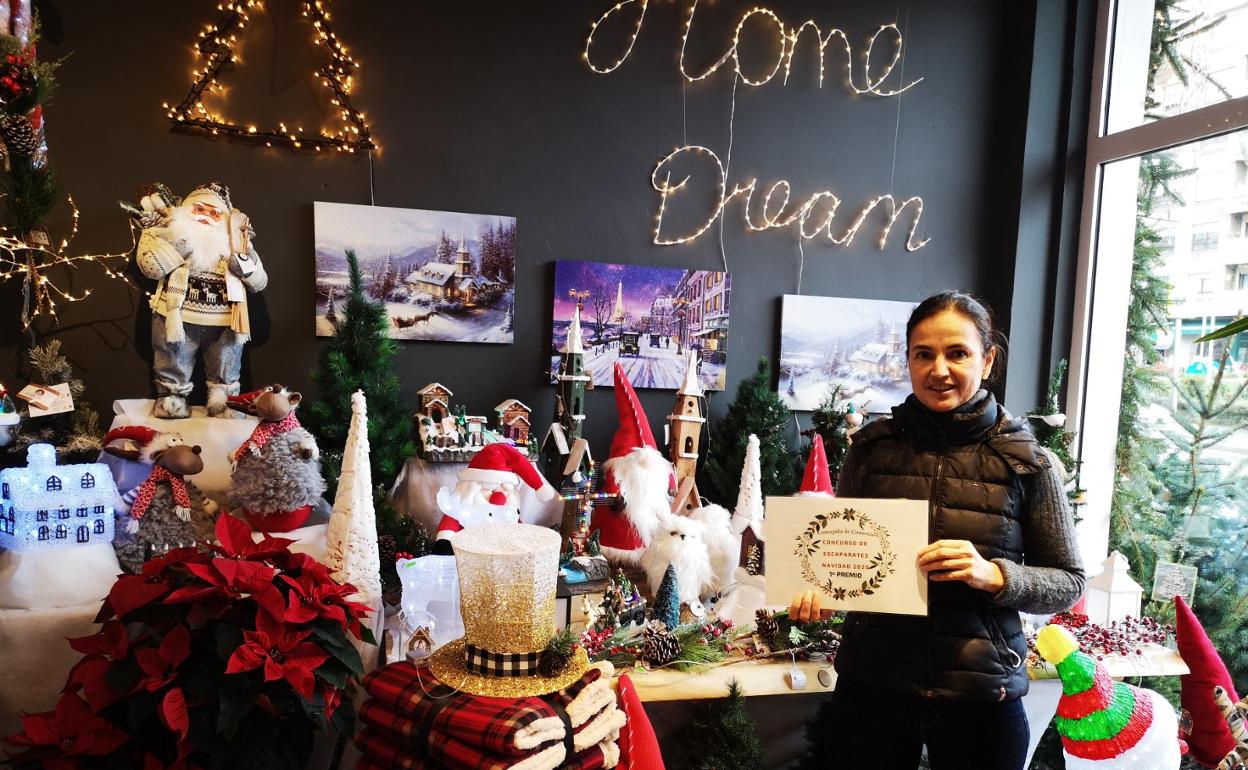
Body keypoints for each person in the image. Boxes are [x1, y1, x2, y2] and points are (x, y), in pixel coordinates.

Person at [790, 291, 1084, 770]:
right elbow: (843, 560)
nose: (938, 369)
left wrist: (997, 576)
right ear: (907, 360)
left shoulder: (1028, 460)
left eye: (958, 353)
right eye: (923, 354)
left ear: (987, 360)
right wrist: (821, 592)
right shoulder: (870, 451)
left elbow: (1068, 581)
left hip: (983, 693)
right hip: (873, 689)